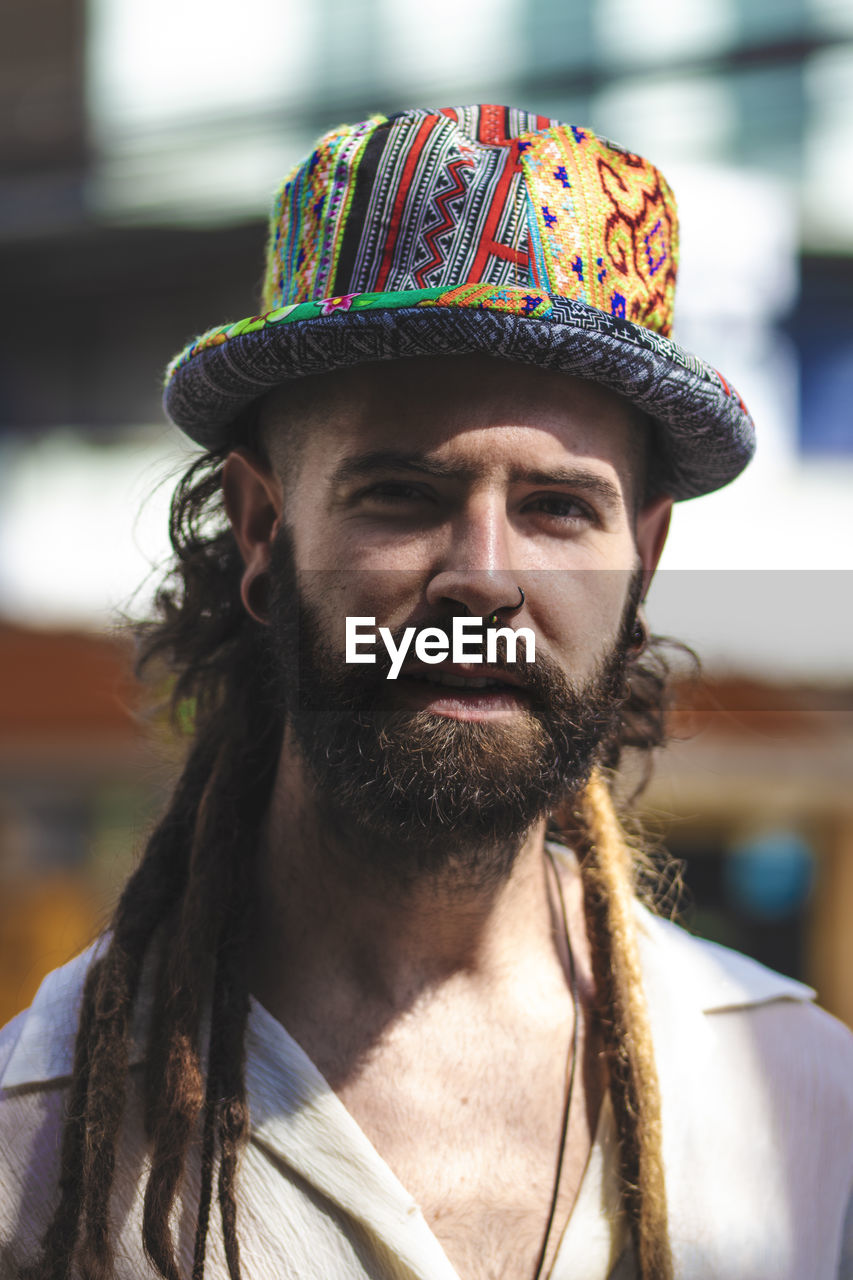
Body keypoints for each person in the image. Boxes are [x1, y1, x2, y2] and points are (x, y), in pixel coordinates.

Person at [1, 105, 851, 1280]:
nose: (484, 581)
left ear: (640, 562)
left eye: (558, 508)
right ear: (264, 529)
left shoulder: (808, 1111)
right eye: (400, 494)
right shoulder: (39, 1138)